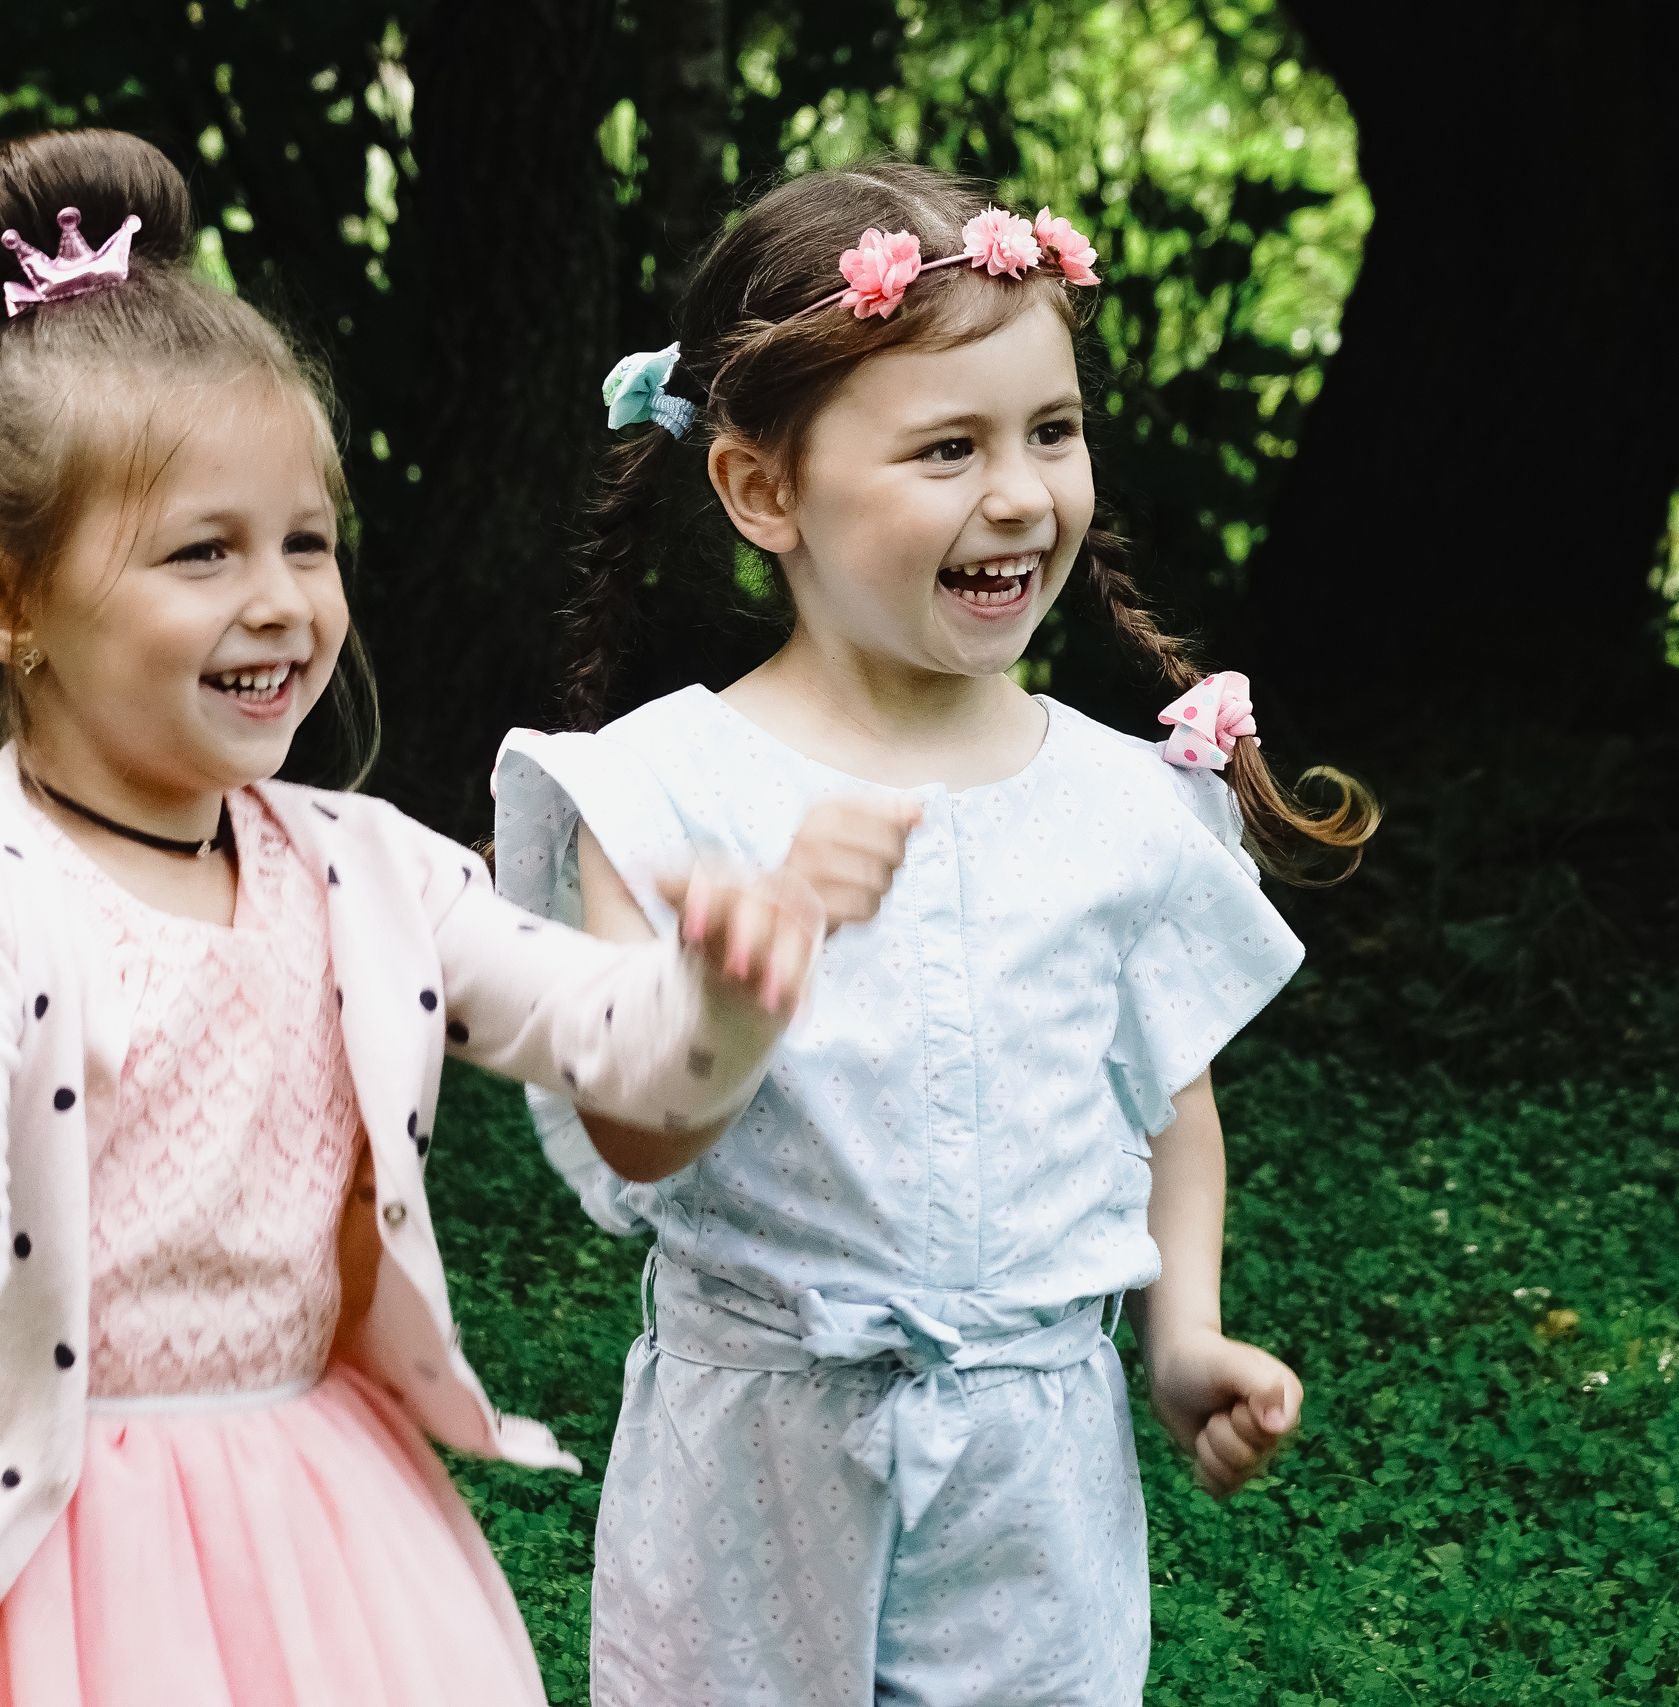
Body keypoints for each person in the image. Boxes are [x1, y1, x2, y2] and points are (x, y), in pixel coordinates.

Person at [0, 128, 836, 1707]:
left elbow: (619, 1046)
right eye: (203, 552)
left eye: (306, 541)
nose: (280, 600)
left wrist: (723, 998)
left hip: (304, 1527)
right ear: (3, 603)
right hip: (28, 1547)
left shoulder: (366, 870)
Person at [491, 159, 1380, 1706]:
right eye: (948, 446)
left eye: (1052, 431)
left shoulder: (1117, 803)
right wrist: (729, 996)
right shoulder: (661, 797)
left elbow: (1168, 1108)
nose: (1022, 493)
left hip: (1032, 1487)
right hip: (755, 1475)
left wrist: (1184, 1337)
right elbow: (635, 1148)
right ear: (765, 491)